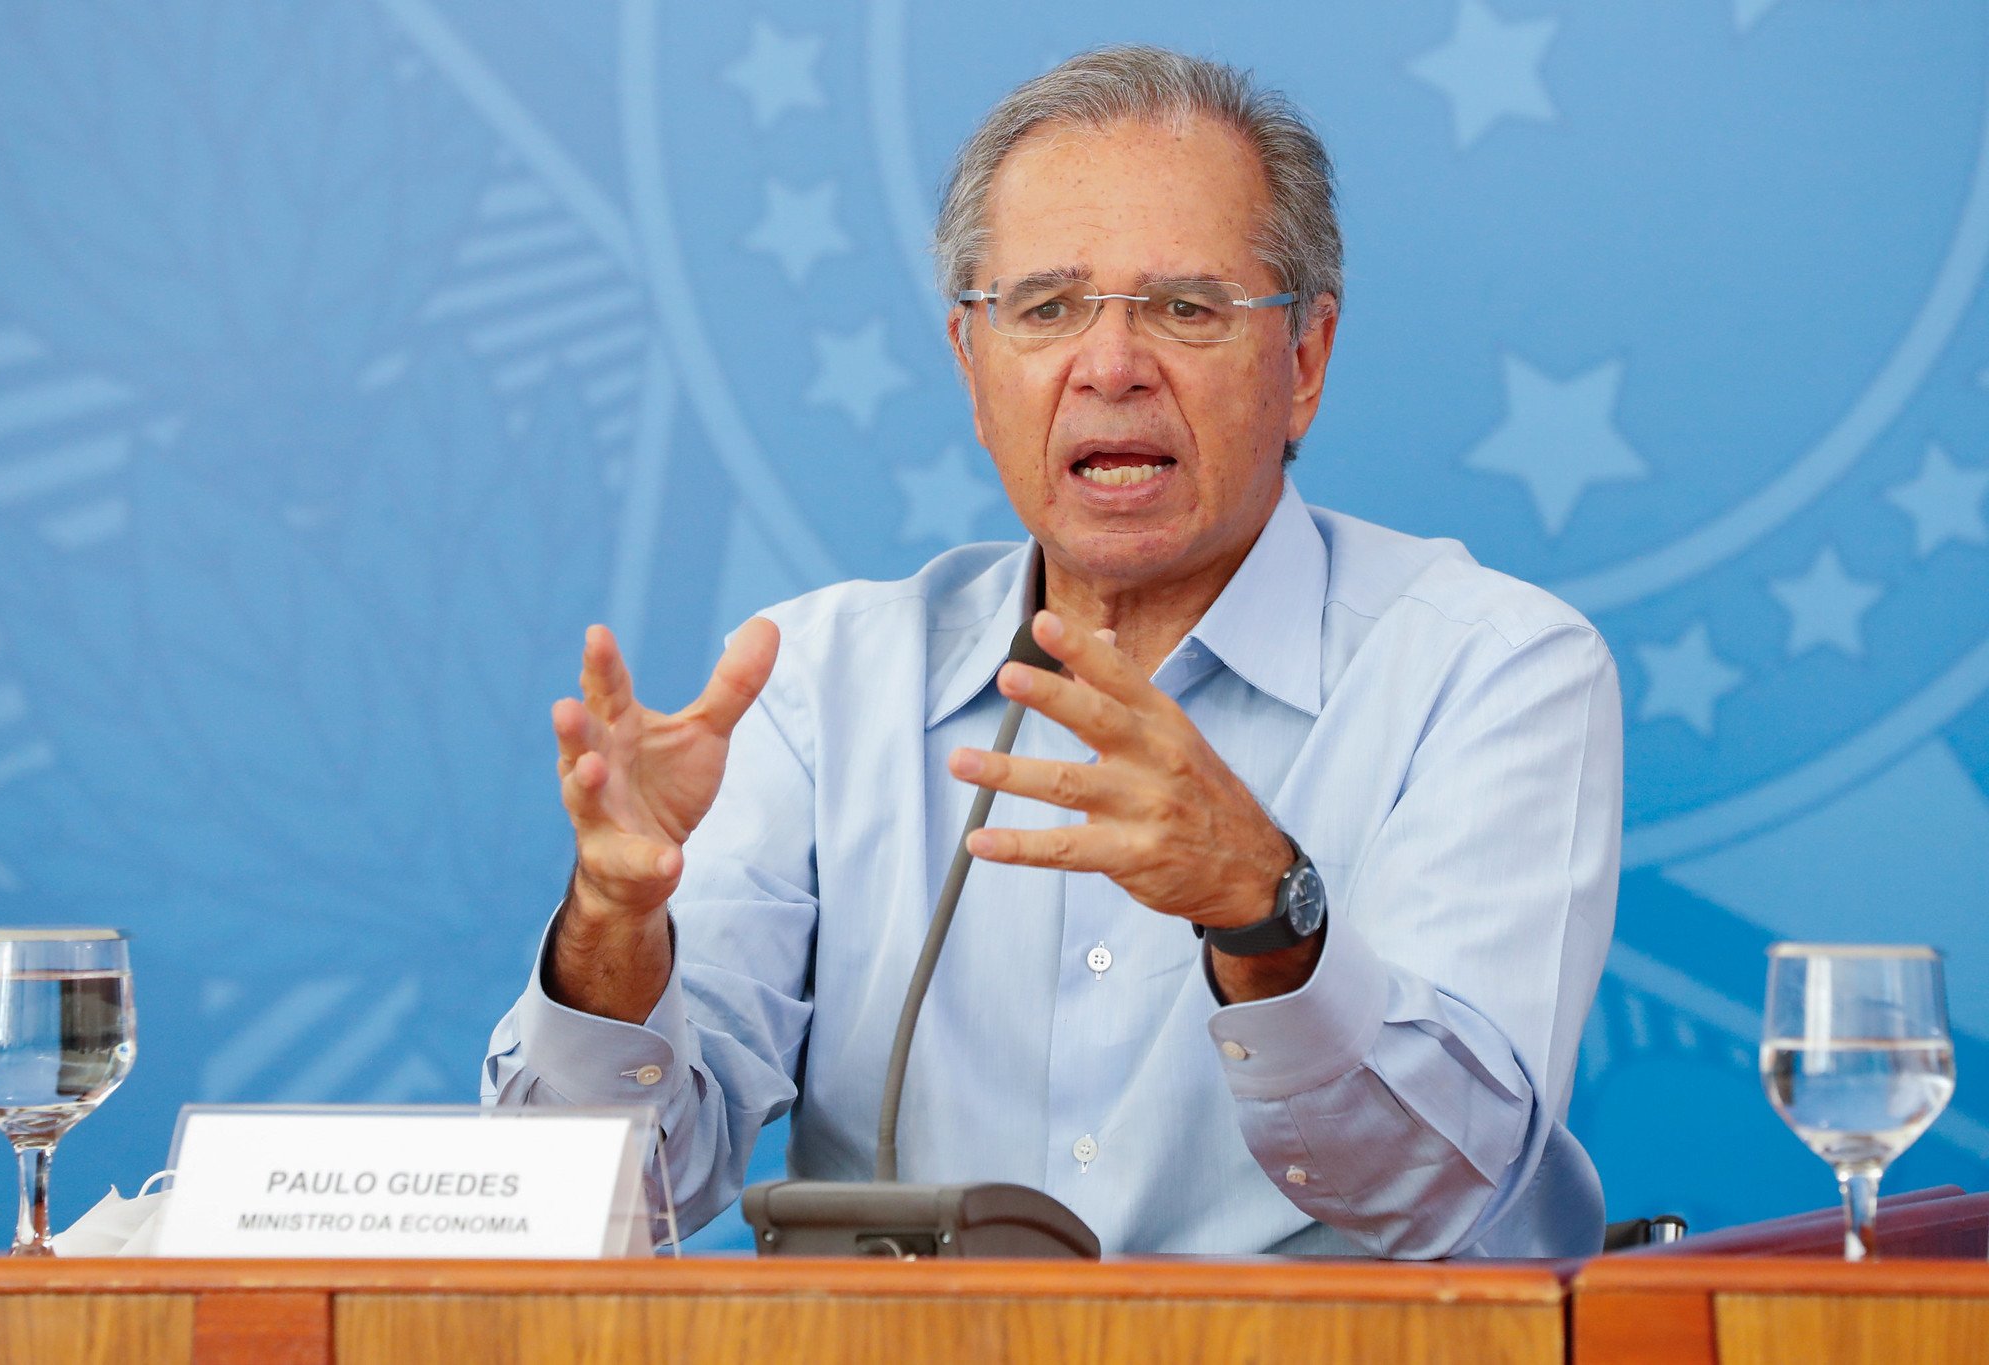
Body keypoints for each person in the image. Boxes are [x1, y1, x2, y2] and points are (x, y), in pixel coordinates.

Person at [483, 45, 1620, 1258]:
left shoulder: (1490, 671)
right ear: (974, 371)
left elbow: (1446, 1189)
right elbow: (593, 1210)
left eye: (1186, 308)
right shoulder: (814, 685)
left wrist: (1267, 918)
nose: (1111, 365)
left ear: (1302, 362)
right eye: (1044, 308)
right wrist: (611, 925)